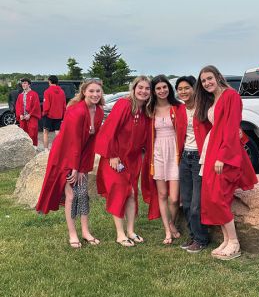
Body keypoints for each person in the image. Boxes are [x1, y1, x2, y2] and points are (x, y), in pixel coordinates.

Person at [194, 65, 257, 260]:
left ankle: (235, 242)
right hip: (213, 148)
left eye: (209, 78)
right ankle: (226, 240)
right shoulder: (214, 99)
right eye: (203, 81)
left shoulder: (231, 96)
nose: (207, 83)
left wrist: (222, 156)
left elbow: (231, 128)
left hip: (225, 151)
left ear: (218, 77)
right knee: (212, 195)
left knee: (219, 196)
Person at [36, 79, 104, 249]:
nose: (95, 94)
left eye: (98, 91)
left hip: (80, 158)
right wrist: (74, 167)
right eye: (91, 91)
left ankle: (86, 232)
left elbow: (90, 143)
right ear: (84, 92)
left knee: (83, 194)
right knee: (71, 195)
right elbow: (72, 141)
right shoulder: (76, 110)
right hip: (64, 156)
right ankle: (73, 233)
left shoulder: (99, 111)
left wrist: (83, 168)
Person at [95, 76, 151, 247]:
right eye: (140, 87)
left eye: (147, 88)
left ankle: (131, 231)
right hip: (115, 157)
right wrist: (111, 155)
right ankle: (120, 234)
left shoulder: (146, 111)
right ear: (133, 89)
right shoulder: (124, 105)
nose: (143, 91)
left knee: (133, 193)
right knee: (120, 192)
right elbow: (109, 129)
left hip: (133, 160)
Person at [142, 75, 186, 245]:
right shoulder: (149, 110)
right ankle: (167, 231)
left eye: (164, 87)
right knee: (162, 194)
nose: (162, 91)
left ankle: (171, 222)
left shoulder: (177, 108)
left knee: (174, 197)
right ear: (154, 91)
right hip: (158, 154)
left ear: (169, 88)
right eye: (158, 88)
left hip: (174, 153)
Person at [175, 76, 209, 253]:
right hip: (184, 158)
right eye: (179, 89)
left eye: (186, 88)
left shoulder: (205, 107)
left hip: (200, 159)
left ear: (195, 88)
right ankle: (195, 235)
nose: (183, 91)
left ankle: (202, 239)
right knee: (186, 202)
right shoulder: (180, 109)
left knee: (196, 204)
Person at [42, 75, 66, 151]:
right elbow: (64, 105)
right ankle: (58, 148)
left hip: (49, 115)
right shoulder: (62, 92)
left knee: (45, 132)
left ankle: (46, 150)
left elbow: (46, 106)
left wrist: (44, 113)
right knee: (57, 132)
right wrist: (63, 115)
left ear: (49, 81)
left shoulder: (47, 91)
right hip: (59, 115)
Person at [15, 78, 41, 147]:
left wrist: (30, 114)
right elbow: (18, 106)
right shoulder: (20, 95)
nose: (23, 84)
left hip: (32, 117)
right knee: (23, 134)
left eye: (25, 83)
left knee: (33, 134)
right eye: (23, 83)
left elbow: (36, 106)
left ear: (29, 84)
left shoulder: (34, 94)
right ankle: (25, 150)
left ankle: (34, 148)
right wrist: (20, 114)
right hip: (23, 118)